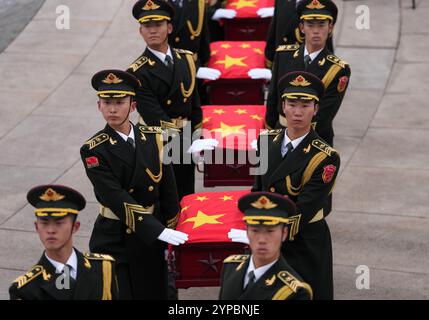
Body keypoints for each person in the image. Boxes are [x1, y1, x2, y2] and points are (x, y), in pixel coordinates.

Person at [80, 69, 188, 299]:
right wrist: (157, 230)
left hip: (150, 238)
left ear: (133, 106)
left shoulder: (154, 138)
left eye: (119, 102)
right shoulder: (94, 150)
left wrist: (172, 226)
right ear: (99, 105)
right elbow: (116, 198)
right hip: (116, 237)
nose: (112, 109)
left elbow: (168, 190)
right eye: (107, 102)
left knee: (154, 292)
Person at [253, 71, 340, 299]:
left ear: (316, 109)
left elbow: (305, 209)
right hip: (270, 239)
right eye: (292, 104)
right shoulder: (265, 141)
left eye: (305, 105)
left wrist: (265, 231)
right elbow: (258, 191)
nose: (298, 112)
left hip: (304, 242)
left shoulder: (325, 157)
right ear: (283, 106)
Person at [127, 0, 206, 201]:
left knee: (186, 194)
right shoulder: (137, 72)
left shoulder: (186, 59)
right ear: (140, 31)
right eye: (147, 26)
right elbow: (154, 116)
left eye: (158, 25)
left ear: (169, 28)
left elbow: (194, 105)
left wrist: (197, 137)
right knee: (164, 197)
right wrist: (187, 142)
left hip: (185, 137)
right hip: (157, 142)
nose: (153, 30)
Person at [9, 185, 118, 300]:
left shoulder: (102, 268)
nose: (51, 230)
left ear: (75, 226)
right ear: (36, 227)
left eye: (59, 223)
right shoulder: (26, 290)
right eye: (44, 223)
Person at [265, 0, 350, 146]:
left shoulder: (338, 69)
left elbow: (324, 114)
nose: (316, 31)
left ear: (330, 27)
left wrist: (294, 140)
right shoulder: (283, 55)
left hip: (315, 141)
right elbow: (273, 99)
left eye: (321, 25)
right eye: (310, 25)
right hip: (280, 135)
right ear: (302, 28)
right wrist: (270, 134)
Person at [220, 192, 312, 300]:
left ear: (284, 233)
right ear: (247, 232)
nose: (262, 240)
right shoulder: (231, 266)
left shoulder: (294, 292)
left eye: (270, 231)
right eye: (255, 231)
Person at [265, 0, 334, 69]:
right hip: (282, 62)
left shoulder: (321, 4)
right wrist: (270, 63)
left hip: (309, 65)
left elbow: (324, 39)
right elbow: (275, 28)